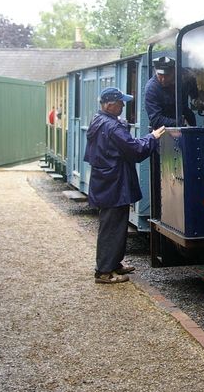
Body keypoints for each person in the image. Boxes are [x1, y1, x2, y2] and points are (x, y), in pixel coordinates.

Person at [84, 87, 166, 284]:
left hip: (107, 180)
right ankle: (104, 271)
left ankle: (114, 263)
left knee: (116, 225)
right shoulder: (112, 127)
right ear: (110, 104)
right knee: (112, 227)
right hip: (114, 182)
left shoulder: (99, 120)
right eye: (120, 102)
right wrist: (152, 137)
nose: (123, 105)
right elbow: (136, 150)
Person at [144, 56, 197, 128]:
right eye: (160, 75)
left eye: (166, 75)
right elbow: (155, 119)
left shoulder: (183, 76)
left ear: (174, 71)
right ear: (155, 71)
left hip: (188, 120)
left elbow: (191, 77)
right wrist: (180, 122)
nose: (163, 79)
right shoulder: (152, 88)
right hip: (163, 130)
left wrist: (196, 98)